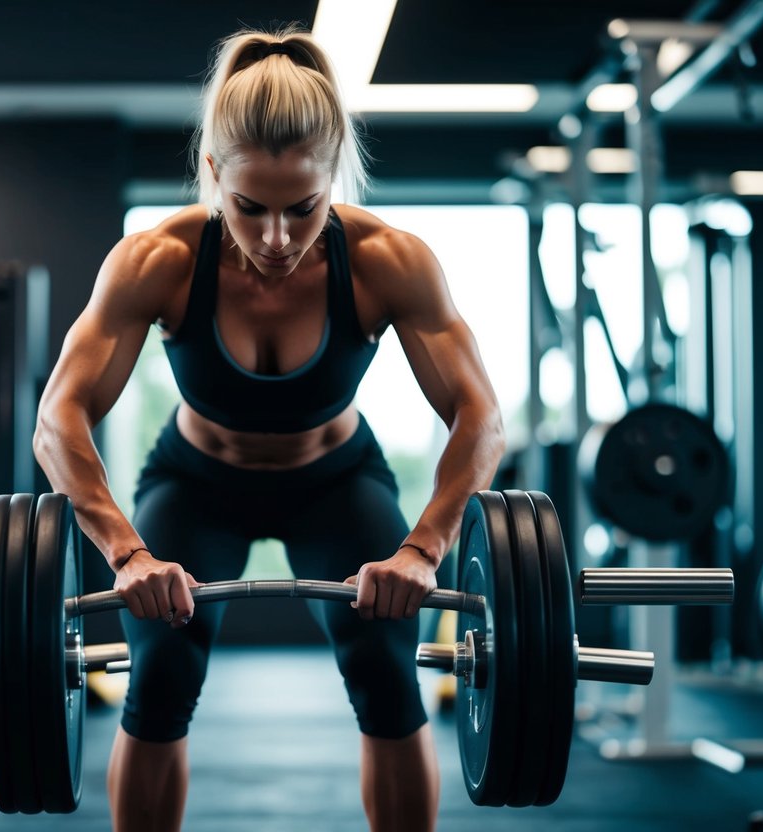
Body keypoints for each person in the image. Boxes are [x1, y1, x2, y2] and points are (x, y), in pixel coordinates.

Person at [34, 24, 505, 832]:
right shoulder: (158, 259)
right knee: (160, 680)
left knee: (387, 674)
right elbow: (58, 418)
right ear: (213, 175)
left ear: (335, 179)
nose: (277, 238)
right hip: (195, 482)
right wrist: (128, 552)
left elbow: (481, 417)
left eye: (304, 209)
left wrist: (423, 549)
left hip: (336, 483)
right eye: (250, 208)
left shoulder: (391, 259)